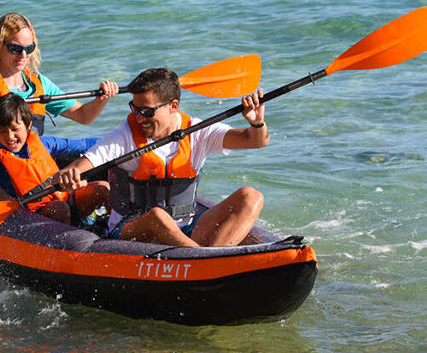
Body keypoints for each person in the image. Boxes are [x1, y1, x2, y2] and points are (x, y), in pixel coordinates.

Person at [54, 66, 268, 248]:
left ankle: (216, 259)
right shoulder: (124, 137)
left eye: (146, 111)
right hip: (130, 231)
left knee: (251, 196)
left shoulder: (198, 132)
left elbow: (255, 141)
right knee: (158, 216)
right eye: (134, 109)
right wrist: (68, 176)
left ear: (173, 106)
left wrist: (256, 122)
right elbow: (79, 167)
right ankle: (199, 258)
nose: (139, 118)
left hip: (185, 230)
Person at [0, 12, 118, 173]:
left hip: (26, 169)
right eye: (15, 49)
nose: (24, 55)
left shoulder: (37, 83)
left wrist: (102, 98)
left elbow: (84, 116)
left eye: (29, 48)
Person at [0, 93, 110, 226]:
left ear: (28, 125)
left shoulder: (45, 143)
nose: (9, 137)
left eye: (15, 129)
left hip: (68, 199)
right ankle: (70, 248)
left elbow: (83, 144)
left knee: (103, 188)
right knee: (59, 208)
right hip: (36, 215)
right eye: (2, 131)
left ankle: (115, 230)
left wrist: (115, 142)